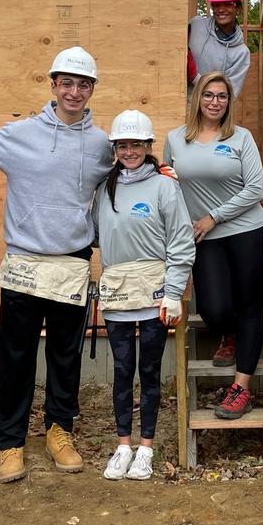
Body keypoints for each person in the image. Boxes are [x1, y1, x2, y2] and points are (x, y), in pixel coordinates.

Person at [0, 47, 111, 483]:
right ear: (52, 85)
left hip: (71, 263)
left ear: (91, 90)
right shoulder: (21, 135)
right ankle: (10, 443)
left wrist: (157, 170)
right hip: (25, 263)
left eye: (83, 84)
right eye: (66, 83)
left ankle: (59, 431)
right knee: (16, 357)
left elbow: (128, 168)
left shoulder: (101, 144)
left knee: (65, 356)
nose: (74, 91)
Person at [94, 110, 195, 481]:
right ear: (115, 148)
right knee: (122, 370)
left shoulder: (165, 186)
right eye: (123, 144)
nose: (130, 151)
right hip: (118, 293)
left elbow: (181, 242)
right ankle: (123, 444)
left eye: (137, 144)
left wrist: (173, 292)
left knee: (149, 371)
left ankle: (146, 448)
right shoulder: (105, 187)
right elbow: (95, 233)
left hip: (155, 293)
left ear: (148, 146)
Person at [163, 71, 263, 419]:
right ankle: (229, 333)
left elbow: (256, 189)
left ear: (229, 102)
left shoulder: (241, 138)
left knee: (250, 305)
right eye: (208, 95)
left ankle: (241, 388)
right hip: (203, 237)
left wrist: (213, 216)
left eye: (222, 96)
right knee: (213, 308)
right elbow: (169, 188)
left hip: (246, 231)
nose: (215, 102)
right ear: (197, 99)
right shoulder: (176, 140)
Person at [188, 0, 251, 97]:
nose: (221, 9)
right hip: (178, 106)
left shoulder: (241, 54)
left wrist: (194, 76)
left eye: (228, 4)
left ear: (237, 7)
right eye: (216, 4)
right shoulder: (196, 25)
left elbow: (226, 96)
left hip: (210, 113)